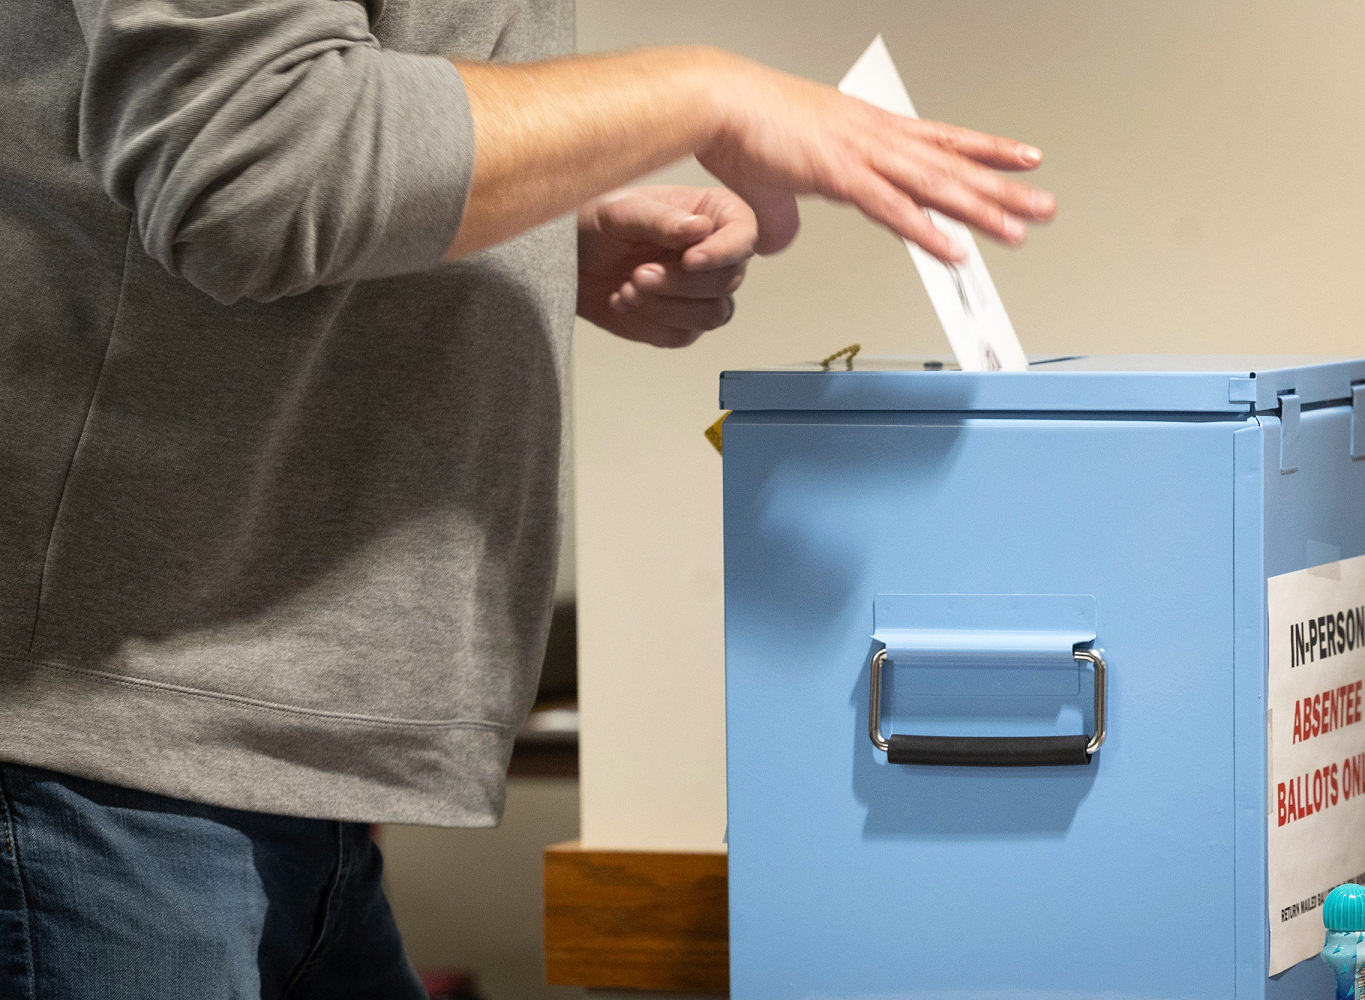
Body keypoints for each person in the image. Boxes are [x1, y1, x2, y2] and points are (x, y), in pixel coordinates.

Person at [0, 1, 1055, 996]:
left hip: (267, 780)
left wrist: (540, 232)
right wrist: (703, 91)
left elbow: (316, 127)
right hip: (98, 770)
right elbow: (249, 156)